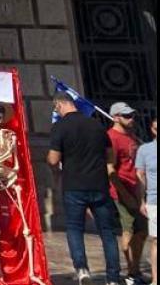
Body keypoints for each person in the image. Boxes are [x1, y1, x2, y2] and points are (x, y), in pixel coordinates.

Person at [49, 91, 122, 285]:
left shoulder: (60, 127)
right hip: (99, 185)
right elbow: (111, 156)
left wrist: (55, 169)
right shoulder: (97, 124)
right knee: (107, 233)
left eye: (56, 107)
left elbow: (53, 159)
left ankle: (82, 270)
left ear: (60, 105)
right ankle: (113, 278)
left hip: (74, 186)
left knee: (74, 229)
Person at [107, 103, 148, 284]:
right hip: (122, 192)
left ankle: (135, 269)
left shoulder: (131, 137)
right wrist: (125, 195)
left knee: (142, 230)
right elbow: (110, 169)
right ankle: (132, 272)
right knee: (129, 230)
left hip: (137, 189)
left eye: (132, 115)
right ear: (115, 117)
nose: (131, 118)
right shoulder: (111, 138)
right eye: (126, 116)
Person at [135, 119, 156, 285]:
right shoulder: (144, 150)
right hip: (154, 200)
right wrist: (141, 201)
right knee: (156, 240)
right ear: (153, 129)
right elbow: (140, 177)